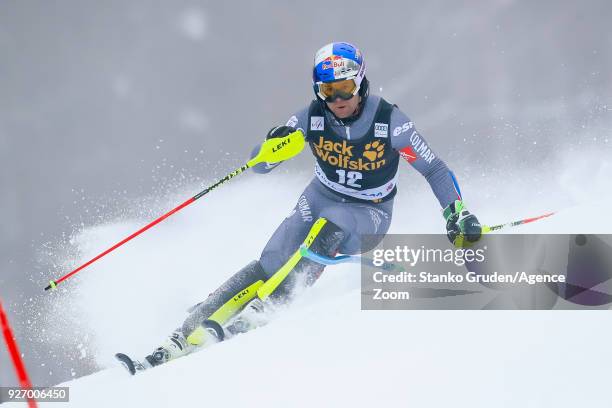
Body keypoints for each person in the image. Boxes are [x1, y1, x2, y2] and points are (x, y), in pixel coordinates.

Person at [126, 41, 481, 372]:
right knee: (273, 258)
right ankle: (186, 330)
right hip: (321, 195)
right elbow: (260, 166)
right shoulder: (311, 118)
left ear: (360, 83)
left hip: (369, 211)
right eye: (328, 91)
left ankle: (266, 310)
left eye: (344, 88)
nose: (338, 98)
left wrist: (455, 212)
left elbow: (433, 168)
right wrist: (273, 144)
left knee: (329, 230)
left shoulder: (390, 122)